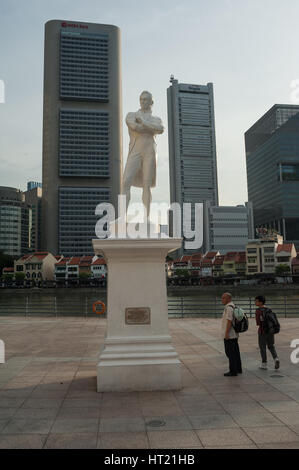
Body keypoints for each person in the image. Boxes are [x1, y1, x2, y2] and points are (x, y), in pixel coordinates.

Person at [122, 91, 164, 219]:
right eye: (141, 99)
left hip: (149, 152)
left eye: (146, 100)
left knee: (146, 185)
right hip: (135, 151)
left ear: (151, 102)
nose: (143, 102)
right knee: (125, 181)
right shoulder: (131, 115)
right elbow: (136, 128)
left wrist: (144, 122)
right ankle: (122, 216)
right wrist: (149, 127)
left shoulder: (156, 119)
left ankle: (146, 217)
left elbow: (160, 129)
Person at [255, 295, 280, 370]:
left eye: (256, 301)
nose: (255, 302)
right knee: (271, 346)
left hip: (262, 331)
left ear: (260, 302)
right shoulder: (269, 309)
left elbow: (258, 323)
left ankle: (264, 364)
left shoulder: (258, 311)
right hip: (270, 331)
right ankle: (276, 359)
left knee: (262, 347)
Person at [221, 292, 242, 376]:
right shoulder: (233, 306)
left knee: (230, 353)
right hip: (234, 334)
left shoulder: (229, 308)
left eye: (223, 298)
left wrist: (226, 333)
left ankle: (233, 371)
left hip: (230, 335)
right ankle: (238, 368)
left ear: (229, 299)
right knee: (235, 352)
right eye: (222, 298)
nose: (222, 300)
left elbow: (229, 321)